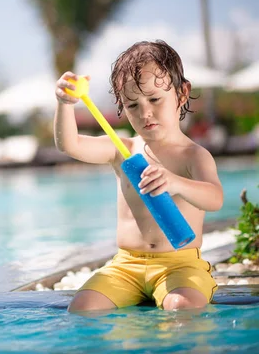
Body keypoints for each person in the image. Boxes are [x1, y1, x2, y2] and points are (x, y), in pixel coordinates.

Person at [53, 40, 223, 312]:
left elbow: (215, 199)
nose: (145, 113)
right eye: (132, 105)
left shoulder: (193, 155)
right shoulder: (124, 150)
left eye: (155, 99)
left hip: (180, 263)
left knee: (182, 306)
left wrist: (176, 182)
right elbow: (70, 145)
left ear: (182, 94)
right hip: (126, 265)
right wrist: (65, 104)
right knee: (83, 307)